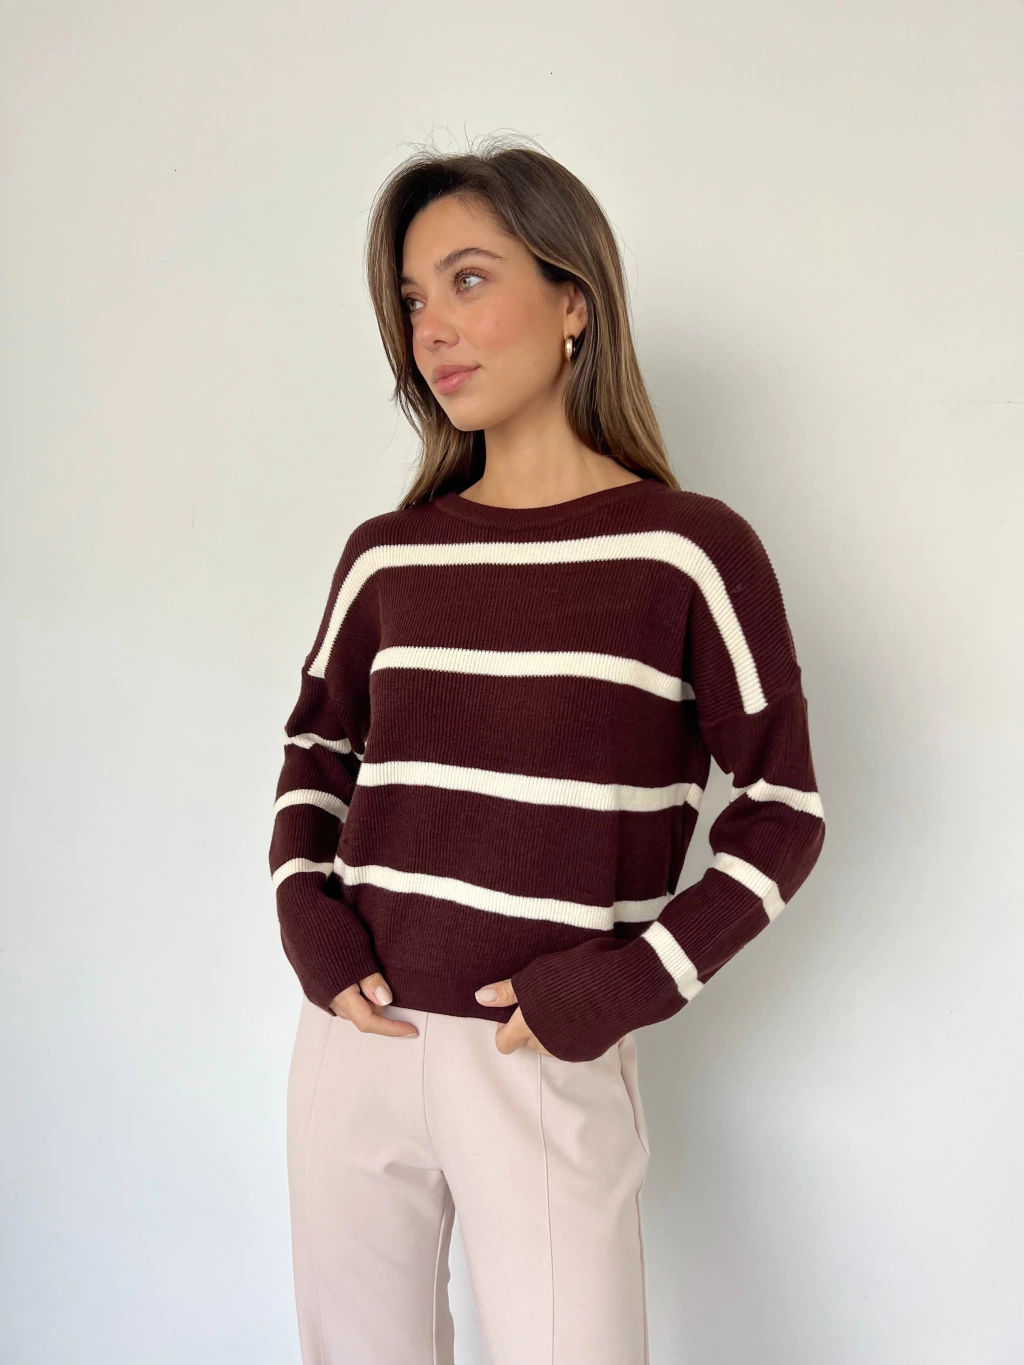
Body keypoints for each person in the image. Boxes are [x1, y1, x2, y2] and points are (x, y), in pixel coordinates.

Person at [268, 135, 826, 1365]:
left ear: (574, 300)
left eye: (468, 280)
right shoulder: (387, 553)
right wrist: (309, 921)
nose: (432, 329)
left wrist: (626, 983)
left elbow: (784, 808)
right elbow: (315, 751)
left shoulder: (686, 552)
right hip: (356, 1044)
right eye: (412, 300)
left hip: (539, 1054)